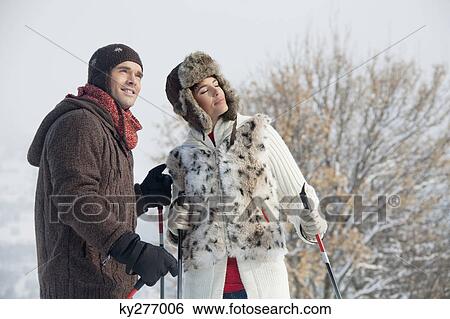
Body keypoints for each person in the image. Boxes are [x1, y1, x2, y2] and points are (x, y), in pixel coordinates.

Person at [164, 51, 328, 299]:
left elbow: (300, 196)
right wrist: (175, 228)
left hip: (263, 286)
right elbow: (179, 241)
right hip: (204, 292)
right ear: (188, 104)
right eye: (204, 90)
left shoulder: (256, 132)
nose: (216, 92)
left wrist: (310, 221)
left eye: (216, 84)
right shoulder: (183, 157)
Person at [27, 44, 177, 298]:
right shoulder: (79, 122)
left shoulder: (112, 129)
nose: (133, 81)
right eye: (123, 71)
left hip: (107, 286)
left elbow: (101, 201)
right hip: (80, 289)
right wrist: (132, 250)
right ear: (101, 75)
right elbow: (76, 200)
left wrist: (142, 197)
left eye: (139, 75)